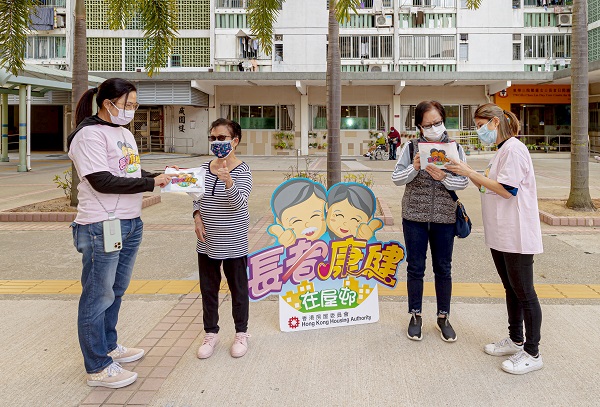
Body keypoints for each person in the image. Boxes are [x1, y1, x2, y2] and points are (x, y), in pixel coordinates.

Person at [68, 78, 172, 389]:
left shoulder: (123, 133)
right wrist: (151, 184)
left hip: (129, 221)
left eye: (134, 105)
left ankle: (109, 346)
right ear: (106, 103)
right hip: (101, 223)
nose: (130, 110)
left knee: (115, 290)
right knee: (97, 295)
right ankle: (98, 366)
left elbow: (129, 170)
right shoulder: (88, 135)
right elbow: (101, 180)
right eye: (126, 105)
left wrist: (158, 176)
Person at [446, 103, 544, 375]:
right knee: (511, 288)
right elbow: (489, 184)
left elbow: (507, 190)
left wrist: (471, 173)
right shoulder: (502, 151)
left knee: (525, 293)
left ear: (494, 123)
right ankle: (515, 340)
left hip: (517, 234)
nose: (478, 131)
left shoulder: (514, 149)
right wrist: (464, 169)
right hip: (502, 233)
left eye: (480, 125)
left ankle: (533, 352)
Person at [391, 100, 468, 342]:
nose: (434, 127)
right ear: (419, 126)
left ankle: (443, 317)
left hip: (444, 218)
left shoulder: (455, 148)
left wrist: (444, 177)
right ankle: (415, 315)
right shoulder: (410, 147)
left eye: (438, 122)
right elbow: (396, 178)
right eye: (428, 124)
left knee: (443, 268)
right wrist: (414, 168)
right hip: (413, 216)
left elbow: (464, 182)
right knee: (415, 267)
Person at [194, 118, 253, 360]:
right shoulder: (203, 168)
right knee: (208, 289)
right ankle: (211, 333)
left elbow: (239, 204)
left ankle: (241, 333)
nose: (216, 143)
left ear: (235, 141)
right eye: (213, 138)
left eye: (222, 138)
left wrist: (228, 180)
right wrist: (197, 217)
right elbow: (196, 196)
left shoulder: (243, 170)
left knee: (238, 289)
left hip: (234, 239)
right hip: (206, 240)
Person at [268, 179, 327, 247]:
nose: (307, 225)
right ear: (280, 222)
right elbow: (273, 229)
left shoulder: (330, 237)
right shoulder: (286, 245)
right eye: (296, 221)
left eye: (315, 215)